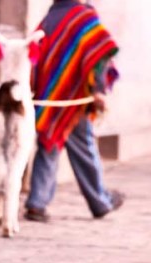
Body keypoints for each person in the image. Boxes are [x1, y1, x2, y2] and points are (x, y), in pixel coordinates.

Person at [25, 0, 124, 222]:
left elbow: (36, 56)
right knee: (84, 148)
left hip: (49, 96)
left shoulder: (49, 19)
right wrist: (98, 89)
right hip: (75, 97)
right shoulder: (84, 18)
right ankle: (100, 201)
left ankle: (37, 203)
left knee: (48, 145)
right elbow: (100, 52)